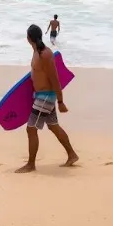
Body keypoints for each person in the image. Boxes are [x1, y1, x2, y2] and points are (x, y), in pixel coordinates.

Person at [15, 24, 78, 174]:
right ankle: (72, 155)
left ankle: (31, 164)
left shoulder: (45, 54)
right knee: (53, 126)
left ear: (28, 38)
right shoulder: (36, 52)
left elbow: (55, 79)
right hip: (40, 96)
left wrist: (61, 101)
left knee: (31, 129)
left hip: (46, 97)